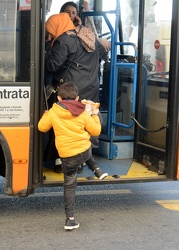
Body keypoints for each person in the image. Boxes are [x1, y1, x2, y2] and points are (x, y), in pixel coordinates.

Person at [38, 82, 108, 230]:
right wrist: (95, 115)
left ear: (58, 98)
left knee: (69, 186)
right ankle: (97, 170)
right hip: (84, 151)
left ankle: (70, 220)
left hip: (68, 157)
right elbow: (95, 132)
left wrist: (46, 115)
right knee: (86, 147)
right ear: (77, 98)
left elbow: (41, 127)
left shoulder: (53, 111)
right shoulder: (83, 112)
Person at [44, 12, 107, 171]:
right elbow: (103, 53)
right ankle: (82, 160)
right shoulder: (88, 36)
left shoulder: (64, 40)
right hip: (90, 89)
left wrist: (46, 49)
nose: (50, 34)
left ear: (57, 26)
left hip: (70, 92)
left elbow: (52, 65)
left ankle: (63, 162)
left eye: (50, 30)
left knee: (65, 126)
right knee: (83, 125)